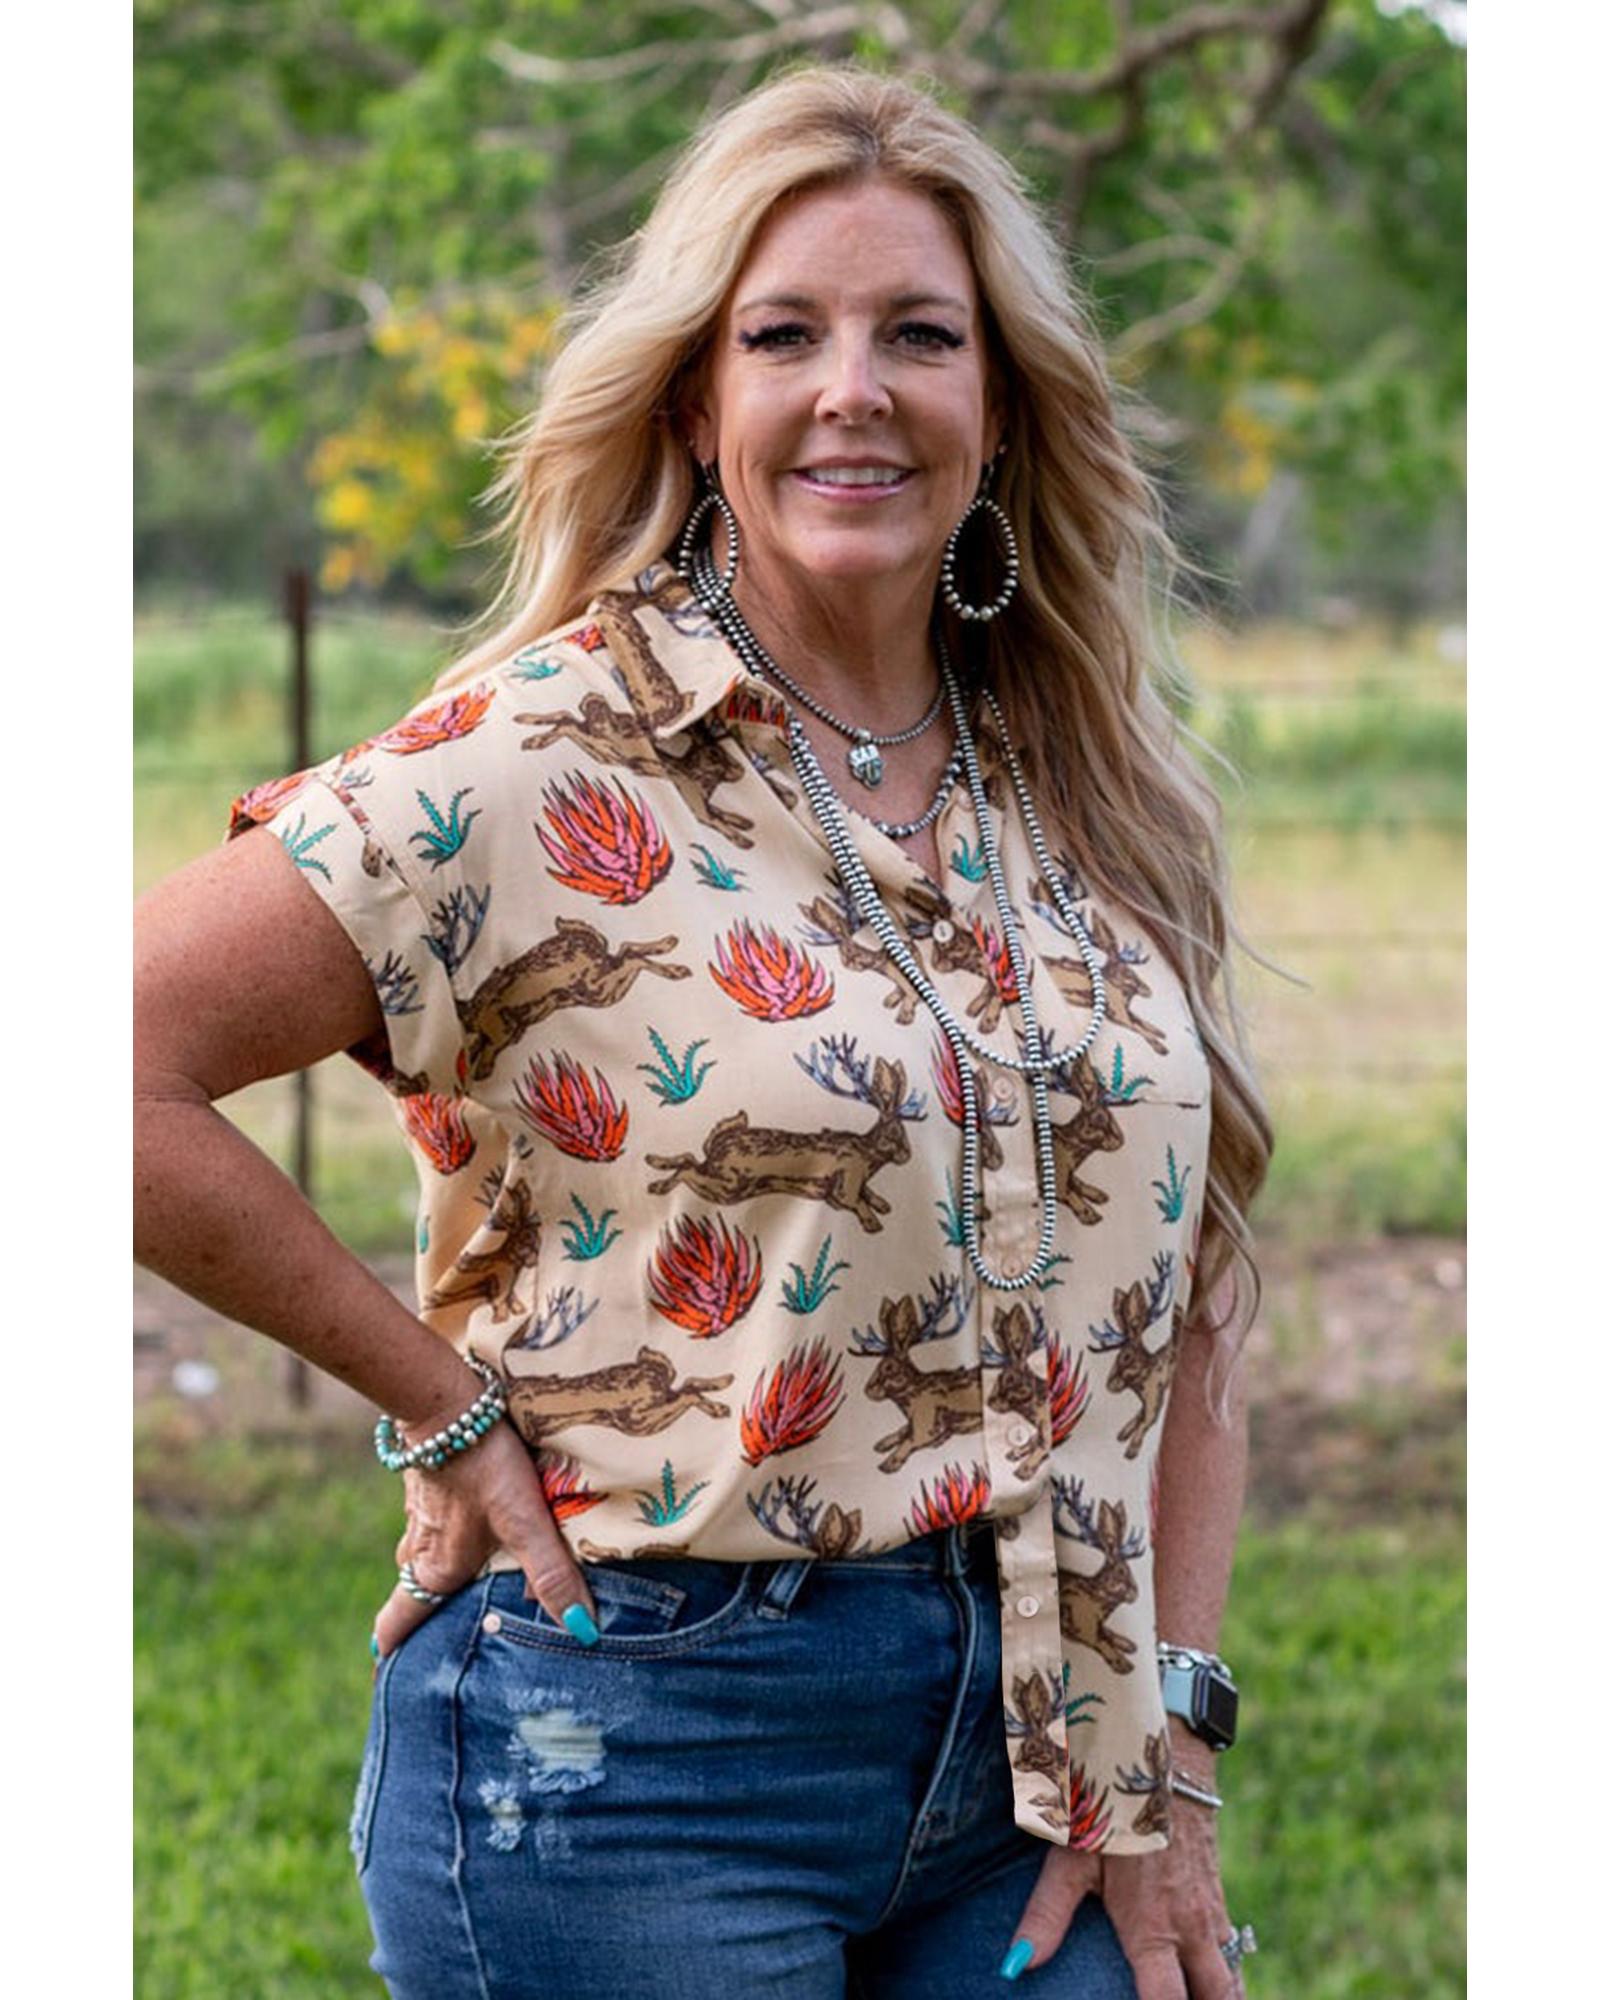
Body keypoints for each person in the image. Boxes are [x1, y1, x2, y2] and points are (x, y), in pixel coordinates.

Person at [134, 63, 1272, 2000]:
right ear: (692, 400)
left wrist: (1167, 1732)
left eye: (921, 334)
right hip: (638, 1762)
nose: (856, 389)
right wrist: (436, 1400)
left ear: (999, 406)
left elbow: (1194, 1277)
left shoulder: (1086, 779)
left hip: (1038, 1773)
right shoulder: (536, 758)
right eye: (783, 335)